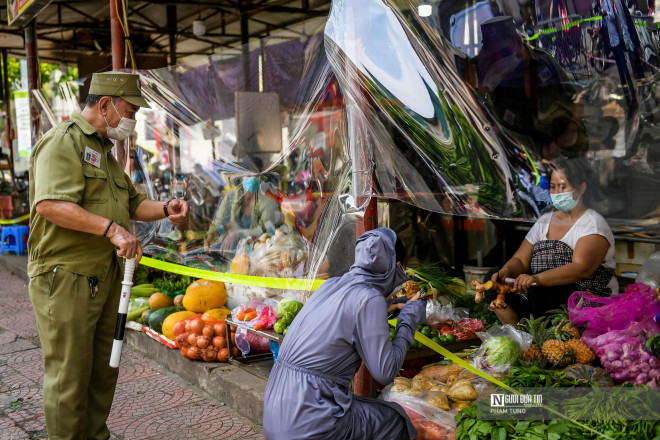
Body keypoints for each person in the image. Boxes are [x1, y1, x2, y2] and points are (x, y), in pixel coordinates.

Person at [27, 71, 189, 440]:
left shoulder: (104, 153)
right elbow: (50, 204)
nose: (133, 119)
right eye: (130, 110)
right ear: (105, 105)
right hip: (65, 277)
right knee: (69, 375)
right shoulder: (61, 143)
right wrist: (112, 230)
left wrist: (167, 208)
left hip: (104, 279)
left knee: (102, 370)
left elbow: (132, 203)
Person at [263, 228, 427, 440]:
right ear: (394, 266)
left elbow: (345, 319)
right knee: (394, 421)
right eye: (402, 268)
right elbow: (386, 372)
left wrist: (390, 307)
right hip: (309, 418)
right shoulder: (370, 298)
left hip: (277, 408)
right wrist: (408, 320)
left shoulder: (331, 285)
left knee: (368, 409)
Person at [489, 157, 618, 325]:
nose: (557, 193)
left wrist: (537, 279)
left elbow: (581, 269)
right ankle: (520, 335)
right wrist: (506, 272)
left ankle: (543, 338)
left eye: (563, 187)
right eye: (553, 187)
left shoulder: (593, 223)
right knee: (493, 283)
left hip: (584, 297)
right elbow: (521, 259)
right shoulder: (545, 221)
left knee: (541, 290)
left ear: (581, 189)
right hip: (543, 295)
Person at [203, 175, 281, 254]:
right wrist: (210, 237)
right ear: (241, 177)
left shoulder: (268, 202)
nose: (252, 179)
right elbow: (218, 221)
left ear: (260, 179)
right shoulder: (231, 195)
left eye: (255, 176)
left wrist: (238, 234)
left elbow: (263, 230)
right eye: (248, 175)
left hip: (253, 252)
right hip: (227, 249)